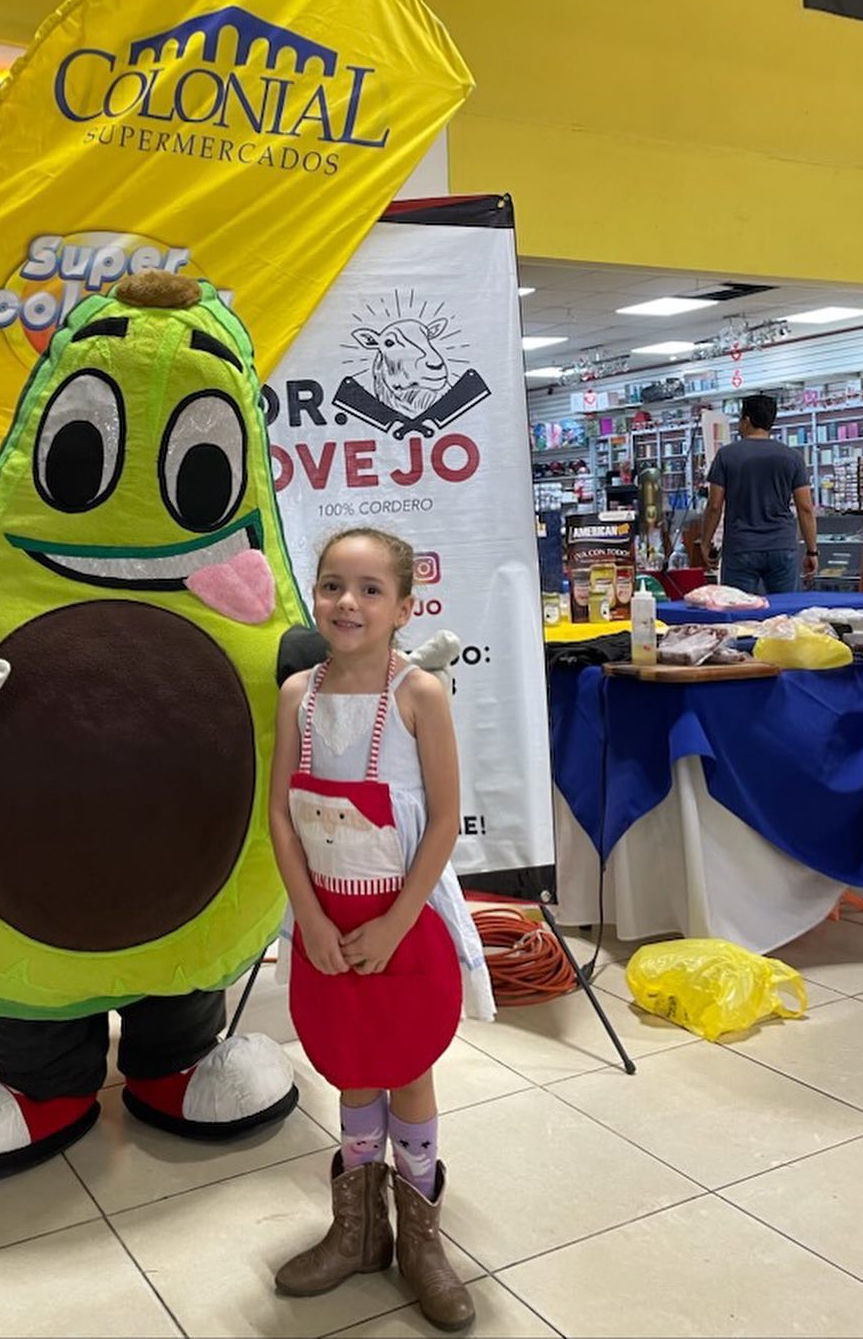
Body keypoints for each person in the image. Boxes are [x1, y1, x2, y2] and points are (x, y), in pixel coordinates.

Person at [268, 527, 493, 1333]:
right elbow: (280, 818)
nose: (347, 602)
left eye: (369, 589)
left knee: (407, 1061)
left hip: (402, 920)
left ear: (405, 606)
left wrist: (398, 923)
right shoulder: (297, 693)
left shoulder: (420, 695)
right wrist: (310, 919)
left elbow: (439, 825)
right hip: (327, 919)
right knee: (351, 1060)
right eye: (332, 585)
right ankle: (358, 1231)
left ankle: (420, 1243)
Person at [699, 394, 818, 595]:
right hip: (782, 545)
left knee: (739, 614)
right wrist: (811, 551)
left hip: (741, 547)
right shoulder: (792, 457)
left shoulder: (727, 455)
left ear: (746, 420)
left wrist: (705, 542)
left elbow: (714, 506)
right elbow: (805, 509)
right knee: (785, 614)